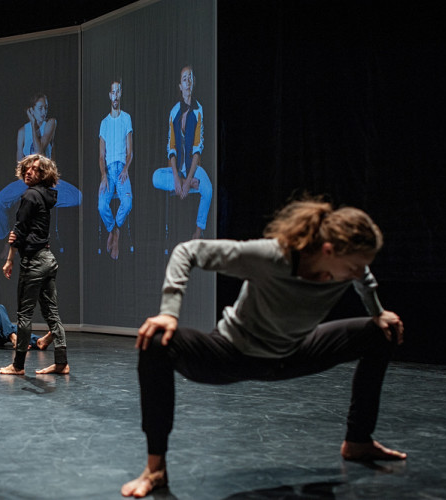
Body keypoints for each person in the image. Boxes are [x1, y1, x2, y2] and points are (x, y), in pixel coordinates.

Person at [120, 198, 406, 498]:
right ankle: (156, 468)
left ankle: (358, 441)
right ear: (328, 250)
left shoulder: (348, 268)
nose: (359, 272)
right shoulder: (272, 256)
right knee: (156, 342)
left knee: (382, 333)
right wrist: (169, 312)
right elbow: (187, 251)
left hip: (294, 353)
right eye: (354, 266)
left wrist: (378, 312)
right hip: (233, 354)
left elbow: (366, 280)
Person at [0, 154, 69, 375]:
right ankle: (61, 363)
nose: (29, 171)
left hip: (34, 262)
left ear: (44, 174)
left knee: (24, 315)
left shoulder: (30, 195)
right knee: (52, 314)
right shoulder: (46, 196)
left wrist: (9, 259)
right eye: (28, 168)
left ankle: (18, 365)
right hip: (48, 259)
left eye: (36, 169)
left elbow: (19, 230)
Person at [0, 94, 81, 258]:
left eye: (46, 108)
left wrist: (33, 125)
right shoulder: (22, 132)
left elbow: (40, 153)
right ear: (31, 110)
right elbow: (19, 165)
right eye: (40, 108)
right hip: (27, 181)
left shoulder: (50, 123)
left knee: (78, 197)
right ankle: (7, 240)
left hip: (47, 180)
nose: (44, 111)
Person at [151, 65, 213, 241]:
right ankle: (189, 183)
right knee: (156, 177)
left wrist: (189, 178)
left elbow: (197, 148)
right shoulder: (174, 112)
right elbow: (171, 148)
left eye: (190, 78)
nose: (188, 82)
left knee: (208, 189)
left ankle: (197, 233)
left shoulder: (198, 110)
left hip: (192, 168)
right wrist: (179, 180)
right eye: (185, 79)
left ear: (193, 83)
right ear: (180, 86)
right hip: (178, 170)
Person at [98, 79, 134, 260]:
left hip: (121, 169)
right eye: (113, 92)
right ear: (109, 95)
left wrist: (126, 168)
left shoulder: (126, 118)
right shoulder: (104, 123)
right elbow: (101, 155)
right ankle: (113, 231)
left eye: (118, 91)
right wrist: (103, 175)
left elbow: (130, 152)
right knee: (101, 205)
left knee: (127, 202)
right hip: (108, 171)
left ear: (121, 94)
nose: (115, 95)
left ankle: (116, 232)